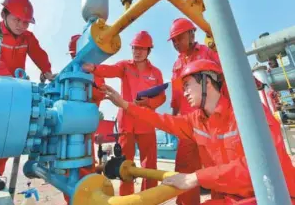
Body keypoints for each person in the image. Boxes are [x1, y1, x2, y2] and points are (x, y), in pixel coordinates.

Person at [102, 59, 295, 205]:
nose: (184, 92)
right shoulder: (196, 120)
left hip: (274, 197)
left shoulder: (249, 112)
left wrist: (195, 178)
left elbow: (262, 166)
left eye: (187, 85)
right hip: (230, 198)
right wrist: (125, 105)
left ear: (207, 82)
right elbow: (161, 120)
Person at [0, 0, 55, 191]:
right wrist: (13, 83)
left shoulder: (27, 38)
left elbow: (38, 53)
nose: (21, 25)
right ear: (4, 14)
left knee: (7, 129)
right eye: (17, 19)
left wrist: (47, 71)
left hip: (13, 88)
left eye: (26, 22)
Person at [82, 31, 166, 195]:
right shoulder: (125, 66)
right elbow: (110, 70)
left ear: (149, 50)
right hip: (126, 124)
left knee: (150, 166)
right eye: (135, 48)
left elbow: (161, 97)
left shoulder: (156, 73)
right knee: (124, 166)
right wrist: (94, 68)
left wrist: (148, 103)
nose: (137, 51)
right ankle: (126, 199)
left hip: (147, 122)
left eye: (141, 48)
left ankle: (150, 198)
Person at [168, 18, 224, 205]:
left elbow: (222, 77)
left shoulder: (207, 53)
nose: (176, 43)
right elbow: (176, 92)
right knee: (184, 167)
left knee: (215, 167)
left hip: (210, 120)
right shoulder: (176, 64)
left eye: (178, 38)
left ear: (191, 34)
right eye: (173, 41)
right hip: (187, 123)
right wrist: (174, 114)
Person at [63, 34, 106, 204]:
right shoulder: (66, 72)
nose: (76, 59)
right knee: (68, 171)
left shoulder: (95, 72)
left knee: (87, 168)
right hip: (67, 131)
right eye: (74, 56)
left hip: (86, 131)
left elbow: (100, 92)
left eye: (78, 55)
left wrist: (89, 82)